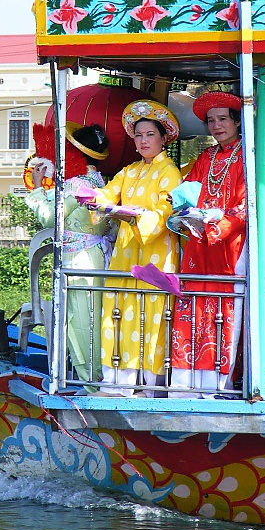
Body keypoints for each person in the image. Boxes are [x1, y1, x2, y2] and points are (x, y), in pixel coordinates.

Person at [87, 100, 182, 396]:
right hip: (128, 248)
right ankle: (117, 381)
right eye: (138, 135)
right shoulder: (129, 171)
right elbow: (107, 193)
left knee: (153, 313)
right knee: (120, 308)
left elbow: (167, 211)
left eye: (150, 134)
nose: (143, 141)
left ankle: (153, 387)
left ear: (163, 138)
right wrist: (92, 197)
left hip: (157, 250)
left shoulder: (170, 172)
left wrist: (137, 218)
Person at [25, 122, 114, 387]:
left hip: (79, 259)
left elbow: (49, 218)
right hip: (97, 255)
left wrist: (38, 189)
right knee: (95, 319)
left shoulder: (76, 184)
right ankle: (99, 378)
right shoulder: (101, 181)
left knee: (80, 323)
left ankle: (91, 383)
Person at [170, 91, 246, 396]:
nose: (217, 126)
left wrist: (218, 226)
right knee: (193, 304)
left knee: (224, 309)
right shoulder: (205, 157)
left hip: (229, 245)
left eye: (223, 119)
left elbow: (245, 207)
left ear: (237, 122)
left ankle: (218, 384)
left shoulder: (247, 155)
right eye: (211, 120)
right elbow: (188, 194)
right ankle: (185, 384)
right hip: (199, 242)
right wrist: (184, 212)